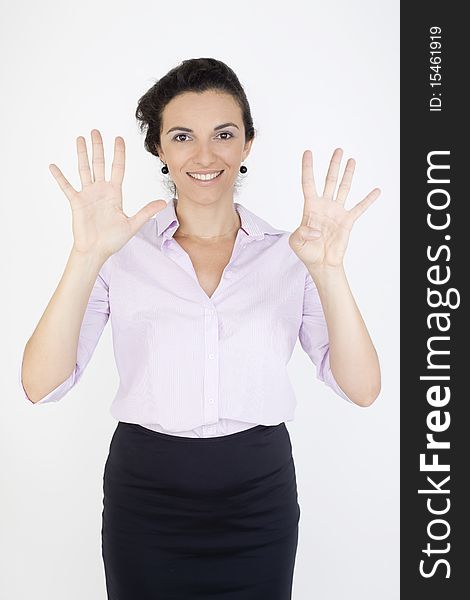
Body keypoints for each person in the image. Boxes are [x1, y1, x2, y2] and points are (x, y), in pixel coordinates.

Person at [19, 57, 381, 599]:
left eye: (224, 134)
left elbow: (362, 388)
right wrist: (85, 255)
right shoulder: (120, 254)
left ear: (248, 144)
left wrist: (329, 270)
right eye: (183, 136)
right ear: (159, 150)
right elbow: (39, 383)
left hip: (258, 492)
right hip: (148, 492)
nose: (205, 155)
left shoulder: (294, 254)